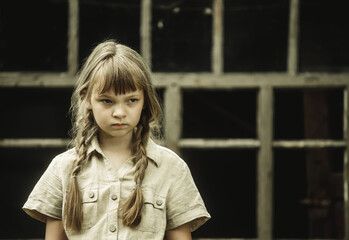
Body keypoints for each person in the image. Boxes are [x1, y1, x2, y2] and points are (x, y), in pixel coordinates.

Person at [23, 39, 210, 239]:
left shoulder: (171, 168)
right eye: (107, 101)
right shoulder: (63, 168)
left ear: (144, 100)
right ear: (86, 98)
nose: (119, 112)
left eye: (131, 100)